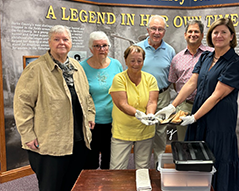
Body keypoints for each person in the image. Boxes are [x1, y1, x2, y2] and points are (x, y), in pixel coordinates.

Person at [156, 18, 239, 191]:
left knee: (216, 156)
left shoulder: (235, 63)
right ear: (211, 35)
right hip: (199, 115)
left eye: (223, 32)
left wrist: (194, 117)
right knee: (196, 156)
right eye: (215, 32)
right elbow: (192, 83)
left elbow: (217, 96)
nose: (218, 35)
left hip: (219, 120)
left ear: (231, 36)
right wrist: (172, 106)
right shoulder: (206, 56)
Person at [13, 25, 96, 191]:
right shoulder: (36, 69)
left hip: (77, 141)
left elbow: (86, 96)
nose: (62, 43)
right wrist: (28, 134)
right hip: (50, 144)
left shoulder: (76, 66)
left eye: (65, 39)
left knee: (73, 184)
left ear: (71, 42)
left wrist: (90, 115)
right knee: (51, 186)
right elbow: (22, 105)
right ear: (49, 42)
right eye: (57, 39)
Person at [109, 45, 159, 169]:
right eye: (132, 60)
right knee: (117, 168)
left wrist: (150, 115)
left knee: (142, 167)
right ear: (125, 61)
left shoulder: (150, 79)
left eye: (139, 60)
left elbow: (152, 102)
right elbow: (122, 104)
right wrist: (138, 114)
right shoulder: (119, 79)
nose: (136, 64)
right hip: (122, 131)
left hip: (145, 130)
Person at [136, 15, 175, 165]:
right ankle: (142, 165)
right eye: (153, 28)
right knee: (143, 131)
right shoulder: (138, 48)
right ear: (148, 30)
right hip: (141, 96)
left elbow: (172, 76)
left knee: (160, 132)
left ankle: (159, 165)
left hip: (162, 95)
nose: (156, 32)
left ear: (164, 32)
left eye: (160, 29)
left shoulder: (170, 51)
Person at [81, 31, 123, 169]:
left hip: (113, 119)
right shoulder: (82, 67)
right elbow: (81, 95)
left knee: (110, 159)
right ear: (90, 49)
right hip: (92, 122)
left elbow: (122, 90)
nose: (101, 49)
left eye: (105, 45)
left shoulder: (116, 65)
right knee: (90, 161)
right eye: (97, 46)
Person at [168, 19, 213, 141]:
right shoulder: (177, 58)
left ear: (202, 35)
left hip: (207, 105)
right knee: (185, 142)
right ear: (185, 34)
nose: (193, 34)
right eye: (190, 31)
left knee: (206, 142)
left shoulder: (212, 55)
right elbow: (174, 83)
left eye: (196, 31)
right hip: (185, 106)